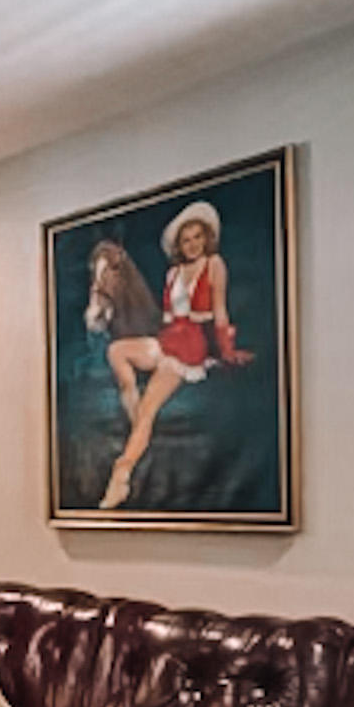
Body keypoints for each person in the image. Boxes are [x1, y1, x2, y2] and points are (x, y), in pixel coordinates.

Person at [98, 200, 253, 510]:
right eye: (186, 240)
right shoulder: (172, 273)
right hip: (166, 338)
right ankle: (137, 418)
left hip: (190, 347)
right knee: (117, 350)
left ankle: (122, 472)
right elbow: (167, 318)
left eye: (197, 237)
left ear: (206, 238)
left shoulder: (214, 265)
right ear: (179, 245)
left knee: (151, 406)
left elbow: (219, 312)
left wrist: (226, 350)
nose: (192, 244)